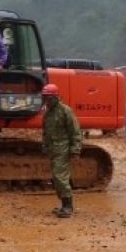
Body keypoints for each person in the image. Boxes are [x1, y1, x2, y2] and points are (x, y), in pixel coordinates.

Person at [41, 83, 82, 218]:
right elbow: (46, 132)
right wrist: (45, 146)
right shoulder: (48, 114)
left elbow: (75, 131)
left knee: (60, 176)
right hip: (53, 149)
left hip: (63, 148)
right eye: (45, 98)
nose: (46, 100)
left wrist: (75, 149)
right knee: (56, 177)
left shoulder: (65, 111)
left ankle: (67, 206)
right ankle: (63, 204)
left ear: (55, 97)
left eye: (48, 98)